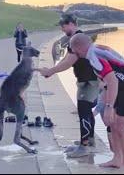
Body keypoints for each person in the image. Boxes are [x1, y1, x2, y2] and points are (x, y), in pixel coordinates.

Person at [70, 33, 124, 173]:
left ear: (78, 48)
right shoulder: (96, 50)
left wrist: (109, 107)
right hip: (121, 89)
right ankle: (117, 159)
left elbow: (112, 81)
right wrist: (104, 106)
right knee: (113, 124)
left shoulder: (95, 57)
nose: (74, 54)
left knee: (121, 127)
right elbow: (106, 84)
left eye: (74, 50)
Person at [37, 14, 99, 158]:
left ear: (71, 23)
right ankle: (89, 142)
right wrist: (52, 68)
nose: (62, 28)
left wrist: (51, 71)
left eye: (63, 25)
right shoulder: (77, 38)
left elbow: (70, 61)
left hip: (90, 81)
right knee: (86, 111)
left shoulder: (77, 38)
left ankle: (84, 147)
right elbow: (67, 58)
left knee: (84, 111)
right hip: (86, 81)